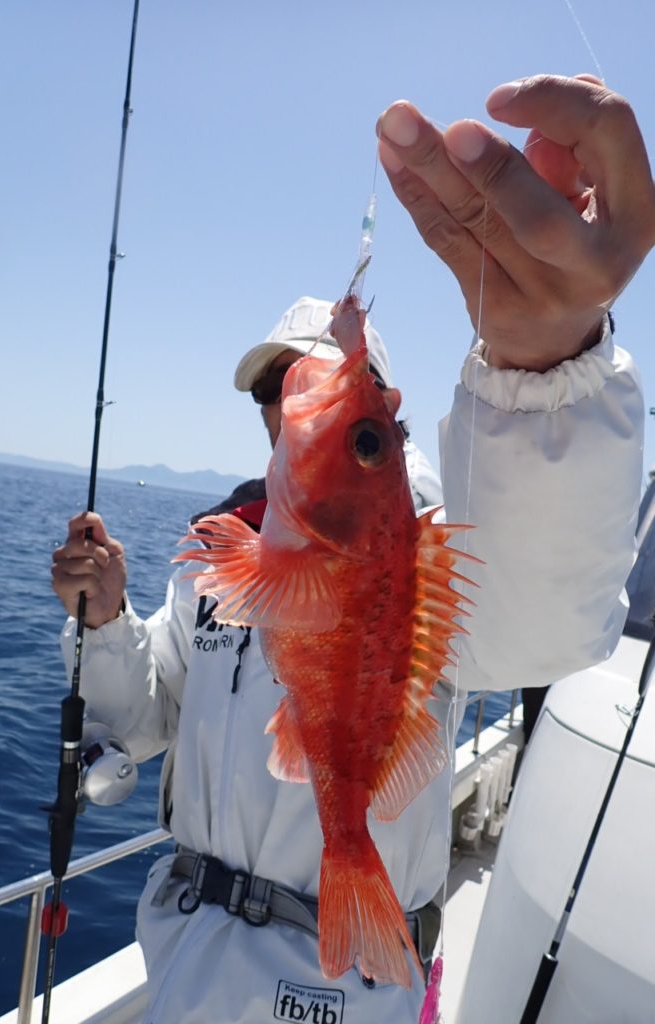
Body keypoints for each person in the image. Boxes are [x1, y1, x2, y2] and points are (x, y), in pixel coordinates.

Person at [51, 74, 652, 1023]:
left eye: (327, 385)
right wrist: (105, 622)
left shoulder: (424, 537)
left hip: (342, 988)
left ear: (383, 422)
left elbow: (538, 616)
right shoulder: (216, 554)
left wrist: (550, 373)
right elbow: (144, 717)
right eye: (277, 386)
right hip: (186, 964)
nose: (292, 396)